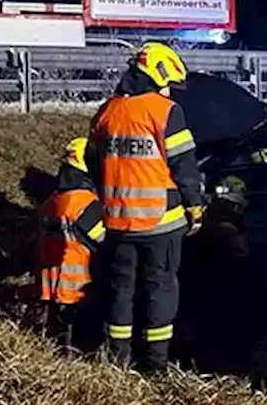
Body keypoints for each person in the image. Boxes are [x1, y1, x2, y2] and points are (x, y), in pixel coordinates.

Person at [85, 41, 204, 371]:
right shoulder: (166, 111)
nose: (169, 90)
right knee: (160, 289)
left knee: (121, 290)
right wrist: (195, 206)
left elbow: (92, 160)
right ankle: (155, 364)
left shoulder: (108, 111)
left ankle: (117, 360)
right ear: (158, 76)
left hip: (118, 222)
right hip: (161, 223)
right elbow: (184, 166)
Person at [35, 137, 105, 350]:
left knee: (52, 339)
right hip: (79, 289)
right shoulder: (85, 204)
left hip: (49, 287)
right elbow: (107, 243)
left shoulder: (51, 201)